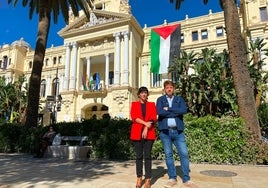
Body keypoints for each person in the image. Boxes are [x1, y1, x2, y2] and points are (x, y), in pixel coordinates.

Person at [156, 80, 198, 188]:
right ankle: (172, 178)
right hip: (165, 132)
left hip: (178, 131)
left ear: (173, 89)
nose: (169, 89)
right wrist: (175, 111)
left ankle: (186, 179)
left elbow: (183, 110)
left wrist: (168, 109)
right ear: (164, 89)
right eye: (167, 87)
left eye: (171, 87)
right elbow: (160, 112)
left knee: (184, 154)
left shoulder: (179, 99)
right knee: (169, 155)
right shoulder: (160, 100)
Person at [130, 87, 157, 188]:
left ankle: (148, 179)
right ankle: (139, 178)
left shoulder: (151, 104)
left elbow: (154, 118)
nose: (144, 94)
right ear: (139, 95)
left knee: (148, 156)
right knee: (138, 156)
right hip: (136, 134)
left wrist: (146, 127)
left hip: (149, 134)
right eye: (142, 93)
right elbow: (134, 117)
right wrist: (145, 123)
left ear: (147, 94)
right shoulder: (134, 104)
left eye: (145, 93)